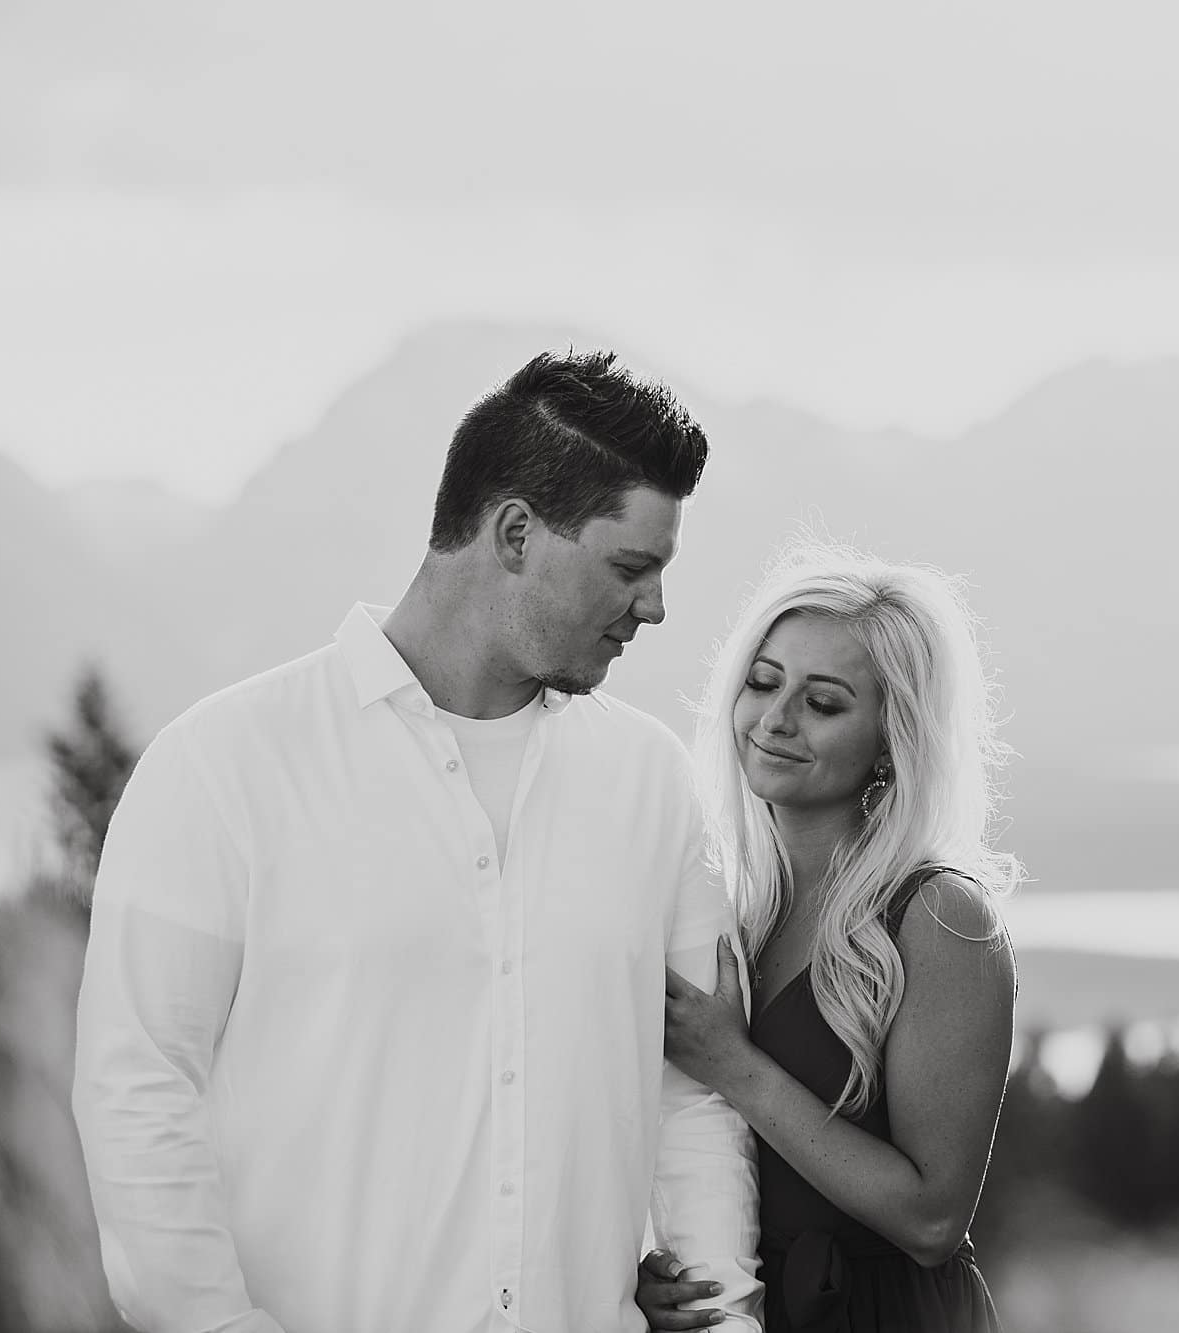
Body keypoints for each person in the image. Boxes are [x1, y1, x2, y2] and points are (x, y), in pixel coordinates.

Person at [72, 350, 763, 1333]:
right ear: (515, 532)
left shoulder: (650, 783)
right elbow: (140, 1091)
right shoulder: (220, 767)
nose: (653, 607)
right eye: (629, 567)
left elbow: (690, 1098)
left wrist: (725, 1321)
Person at [637, 546, 1020, 1332]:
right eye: (765, 681)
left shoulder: (939, 917)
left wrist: (736, 1065)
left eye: (824, 702)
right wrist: (665, 1272)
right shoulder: (736, 910)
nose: (776, 719)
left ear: (891, 737)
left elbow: (931, 1220)